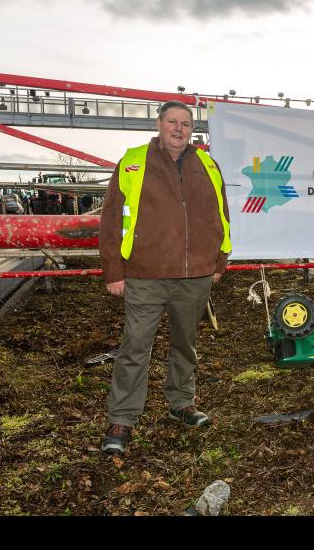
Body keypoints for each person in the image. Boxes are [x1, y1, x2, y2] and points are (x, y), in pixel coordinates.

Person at [98, 100, 231, 455]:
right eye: (172, 121)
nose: (178, 128)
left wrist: (219, 260)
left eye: (185, 123)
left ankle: (181, 403)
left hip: (195, 276)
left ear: (192, 129)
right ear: (159, 124)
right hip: (145, 275)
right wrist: (114, 269)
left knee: (185, 345)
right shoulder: (134, 161)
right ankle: (122, 419)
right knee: (135, 347)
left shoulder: (208, 165)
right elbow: (111, 218)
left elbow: (221, 214)